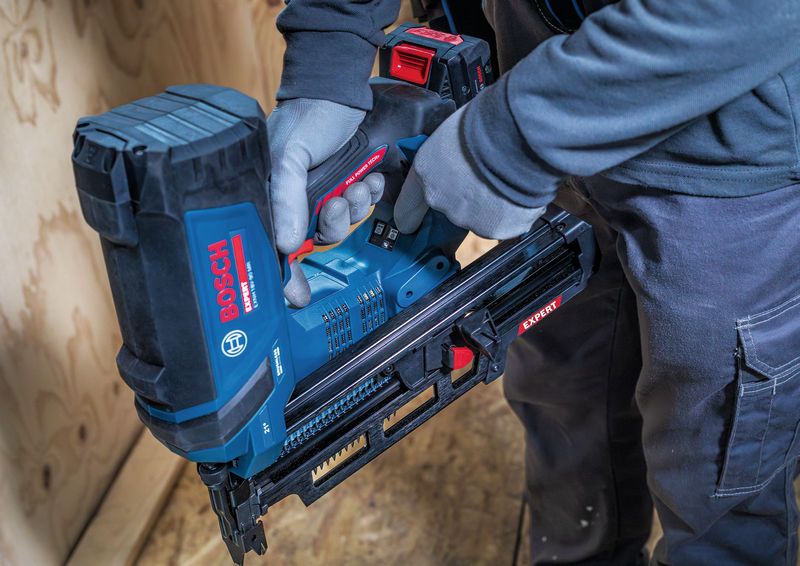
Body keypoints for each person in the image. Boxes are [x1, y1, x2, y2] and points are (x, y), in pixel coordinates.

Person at [266, 1, 800, 563]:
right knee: (567, 411)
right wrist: (329, 54)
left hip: (723, 166)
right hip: (541, 111)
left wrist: (513, 138)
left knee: (714, 477)